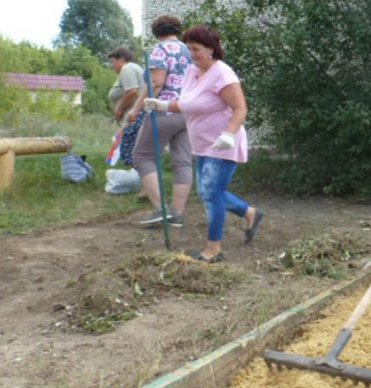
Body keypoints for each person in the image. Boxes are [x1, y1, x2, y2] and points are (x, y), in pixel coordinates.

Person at [145, 25, 264, 263]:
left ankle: (213, 249)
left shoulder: (223, 74)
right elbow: (189, 103)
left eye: (196, 49)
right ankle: (250, 213)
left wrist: (229, 134)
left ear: (211, 49)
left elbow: (240, 108)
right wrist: (163, 105)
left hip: (223, 143)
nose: (192, 53)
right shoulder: (192, 71)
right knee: (210, 192)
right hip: (202, 143)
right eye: (189, 48)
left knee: (210, 194)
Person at [127, 15, 193, 227]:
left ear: (156, 32)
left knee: (142, 156)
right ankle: (177, 214)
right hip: (186, 111)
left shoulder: (161, 49)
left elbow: (155, 83)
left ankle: (160, 209)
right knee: (182, 161)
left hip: (164, 111)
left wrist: (136, 109)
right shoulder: (189, 50)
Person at [107, 47, 145, 166]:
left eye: (113, 62)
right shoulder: (134, 68)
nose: (112, 65)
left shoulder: (127, 68)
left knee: (130, 151)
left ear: (122, 60)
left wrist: (119, 109)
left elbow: (132, 91)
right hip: (137, 115)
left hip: (135, 116)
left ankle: (136, 176)